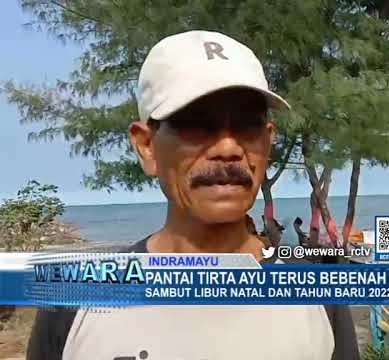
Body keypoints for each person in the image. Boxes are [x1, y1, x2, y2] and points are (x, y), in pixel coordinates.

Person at [27, 30, 359, 360]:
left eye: (247, 125)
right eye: (196, 124)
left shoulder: (317, 298)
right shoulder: (75, 301)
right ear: (146, 146)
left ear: (268, 141)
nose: (228, 148)